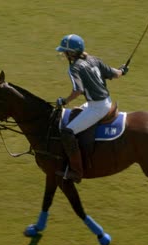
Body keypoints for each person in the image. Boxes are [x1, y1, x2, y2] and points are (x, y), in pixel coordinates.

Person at [55, 34, 129, 183]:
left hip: (97, 108)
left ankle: (77, 171)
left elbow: (78, 90)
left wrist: (64, 100)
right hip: (104, 102)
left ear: (71, 53)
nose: (63, 54)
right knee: (76, 113)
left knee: (67, 132)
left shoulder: (74, 68)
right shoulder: (94, 59)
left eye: (65, 51)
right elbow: (115, 74)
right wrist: (123, 70)